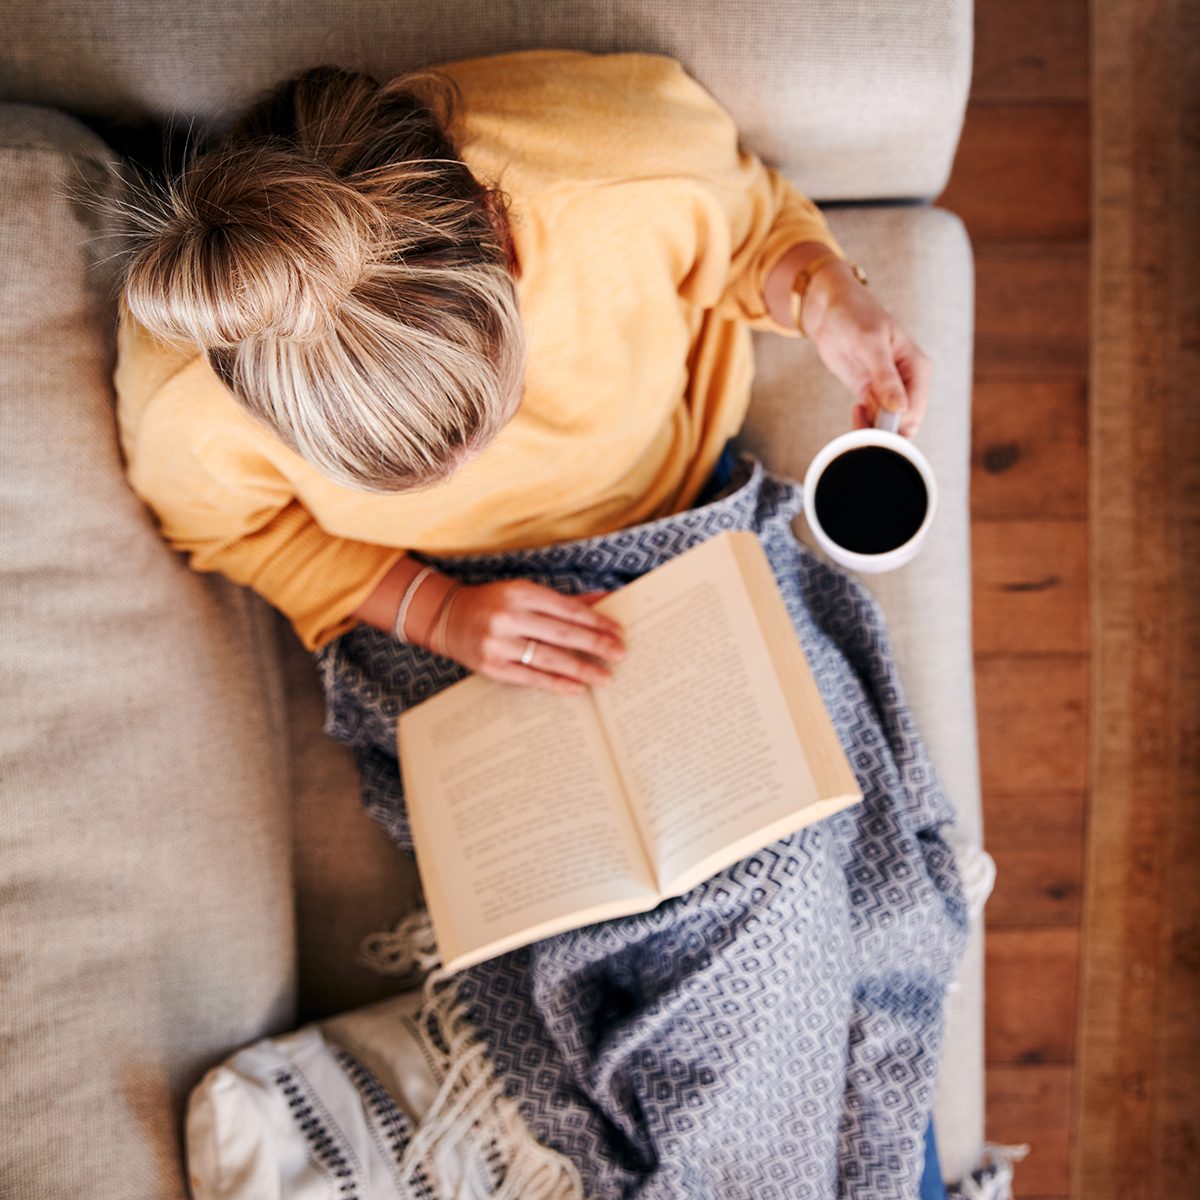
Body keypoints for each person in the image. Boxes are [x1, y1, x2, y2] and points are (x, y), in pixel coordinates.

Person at [110, 49, 945, 1196]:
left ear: (504, 236)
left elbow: (752, 229)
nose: (479, 463)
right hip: (442, 617)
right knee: (626, 926)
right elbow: (233, 533)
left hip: (675, 538)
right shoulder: (193, 378)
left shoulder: (614, 165)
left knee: (790, 870)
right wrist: (437, 608)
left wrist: (820, 293)